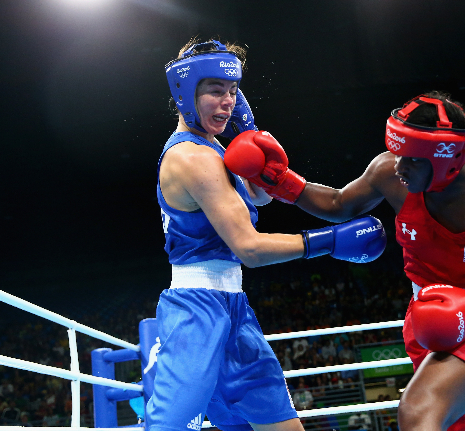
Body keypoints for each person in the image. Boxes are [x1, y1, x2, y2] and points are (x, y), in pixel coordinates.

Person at [225, 91, 465, 431]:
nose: (399, 166)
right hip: (430, 317)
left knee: (420, 411)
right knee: (463, 425)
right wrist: (281, 180)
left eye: (411, 160)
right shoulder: (390, 173)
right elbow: (339, 204)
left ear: (446, 159)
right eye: (397, 153)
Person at [146, 38, 387, 431]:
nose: (227, 102)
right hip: (196, 314)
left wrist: (251, 136)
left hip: (233, 309)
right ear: (184, 93)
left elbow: (260, 195)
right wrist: (328, 241)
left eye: (233, 91)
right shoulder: (193, 157)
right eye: (214, 91)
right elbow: (249, 247)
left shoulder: (217, 149)